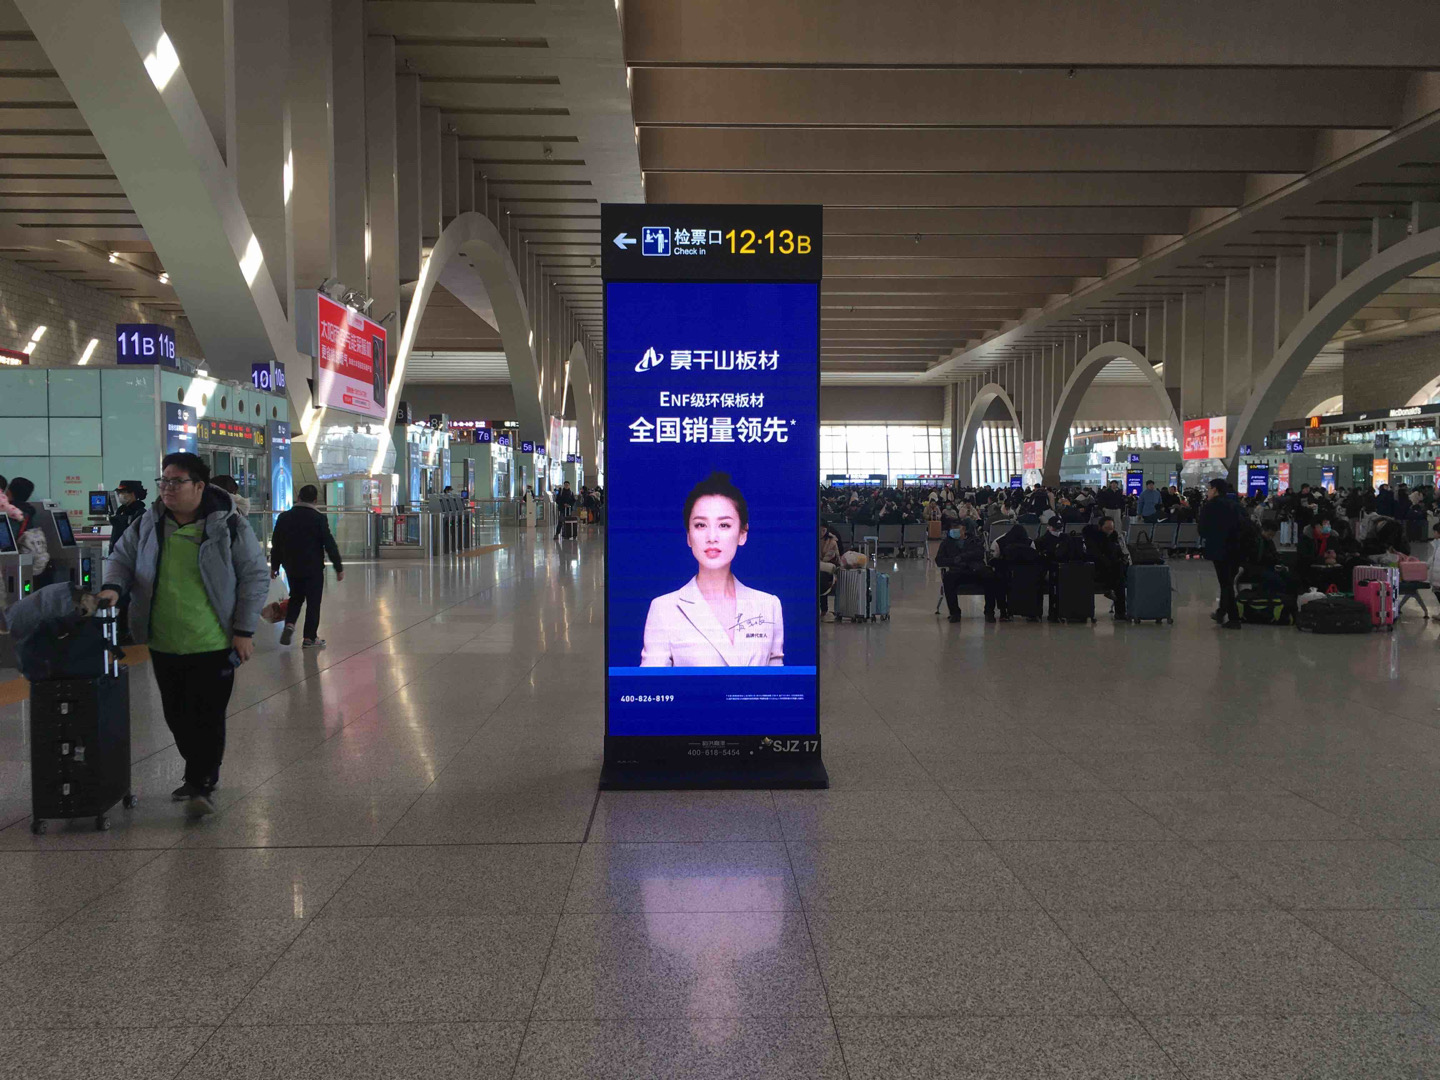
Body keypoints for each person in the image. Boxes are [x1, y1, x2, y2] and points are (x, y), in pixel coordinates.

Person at [97, 452, 268, 817]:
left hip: (213, 641)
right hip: (164, 640)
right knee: (176, 715)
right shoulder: (149, 523)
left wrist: (244, 630)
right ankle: (200, 772)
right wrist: (112, 587)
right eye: (164, 481)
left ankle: (201, 781)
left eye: (177, 482)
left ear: (200, 486)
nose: (168, 488)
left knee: (207, 715)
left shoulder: (229, 525)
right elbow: (121, 558)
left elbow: (254, 576)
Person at [641, 472, 782, 666]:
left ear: (742, 534)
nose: (712, 537)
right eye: (700, 525)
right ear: (689, 536)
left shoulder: (768, 606)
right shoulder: (664, 609)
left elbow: (776, 680)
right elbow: (652, 682)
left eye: (724, 525)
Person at [269, 484, 344, 649]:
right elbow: (329, 544)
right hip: (313, 568)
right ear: (315, 500)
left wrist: (274, 566)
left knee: (295, 598)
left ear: (298, 498)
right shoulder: (319, 518)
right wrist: (338, 567)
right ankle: (309, 638)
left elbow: (276, 544)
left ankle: (290, 623)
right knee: (313, 602)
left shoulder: (284, 517)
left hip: (291, 566)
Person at [1197, 477, 1246, 629]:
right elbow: (1244, 525)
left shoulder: (1210, 507)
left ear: (1215, 490)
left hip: (1219, 549)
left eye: (1209, 489)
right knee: (1228, 581)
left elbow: (1202, 530)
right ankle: (1221, 612)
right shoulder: (1235, 505)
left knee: (1225, 583)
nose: (1208, 492)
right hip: (1236, 548)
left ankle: (1234, 618)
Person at [936, 522, 1001, 623]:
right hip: (958, 571)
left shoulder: (974, 541)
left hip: (976, 570)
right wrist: (953, 561)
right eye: (952, 530)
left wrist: (962, 557)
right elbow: (939, 560)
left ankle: (989, 612)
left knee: (990, 576)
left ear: (963, 530)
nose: (954, 532)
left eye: (957, 529)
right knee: (948, 578)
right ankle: (954, 613)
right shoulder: (946, 543)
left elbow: (979, 553)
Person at [5, 477, 50, 586]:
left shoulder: (9, 513)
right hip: (29, 561)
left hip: (13, 562)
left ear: (8, 492)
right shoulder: (29, 512)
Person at [1084, 516, 1130, 618]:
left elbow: (1119, 553)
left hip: (1113, 569)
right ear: (1100, 527)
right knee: (1119, 577)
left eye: (1111, 528)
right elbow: (1096, 556)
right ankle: (1120, 611)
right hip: (1098, 570)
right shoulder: (1093, 539)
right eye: (1107, 528)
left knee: (1120, 573)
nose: (1109, 531)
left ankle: (1121, 611)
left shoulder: (1114, 537)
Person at [108, 481, 147, 554]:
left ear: (133, 494)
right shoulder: (120, 512)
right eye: (119, 492)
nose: (120, 495)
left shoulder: (141, 514)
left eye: (123, 492)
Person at [819, 523, 840, 617]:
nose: (821, 532)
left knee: (822, 579)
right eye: (820, 530)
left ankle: (824, 609)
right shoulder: (813, 539)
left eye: (823, 530)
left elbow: (831, 558)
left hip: (828, 569)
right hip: (821, 567)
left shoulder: (832, 542)